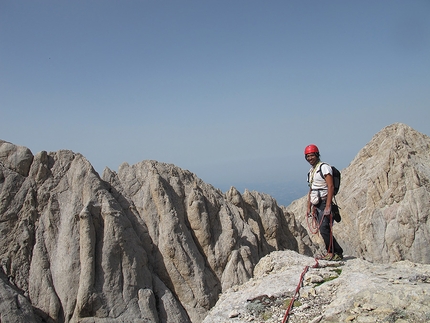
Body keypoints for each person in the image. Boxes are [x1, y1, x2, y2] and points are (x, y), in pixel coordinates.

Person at [305, 144, 343, 261]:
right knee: (323, 229)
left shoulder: (324, 167)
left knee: (324, 228)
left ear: (317, 155)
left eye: (312, 155)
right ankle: (332, 252)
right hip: (316, 203)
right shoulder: (311, 171)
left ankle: (335, 252)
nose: (310, 158)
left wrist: (328, 206)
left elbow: (330, 186)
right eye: (308, 156)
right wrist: (309, 206)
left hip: (324, 202)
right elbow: (311, 189)